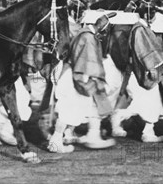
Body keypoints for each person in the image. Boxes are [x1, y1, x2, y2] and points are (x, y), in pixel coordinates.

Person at [48, 12, 117, 152]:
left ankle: (64, 137)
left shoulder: (83, 33)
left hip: (72, 75)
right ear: (103, 28)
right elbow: (88, 63)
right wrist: (95, 80)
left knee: (71, 110)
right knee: (68, 111)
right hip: (77, 78)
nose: (105, 35)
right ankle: (55, 142)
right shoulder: (89, 38)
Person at [111, 0, 163, 143]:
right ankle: (146, 132)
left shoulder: (142, 28)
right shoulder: (139, 29)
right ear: (150, 15)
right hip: (142, 72)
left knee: (142, 101)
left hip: (139, 72)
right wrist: (152, 68)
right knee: (149, 100)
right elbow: (143, 51)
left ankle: (119, 119)